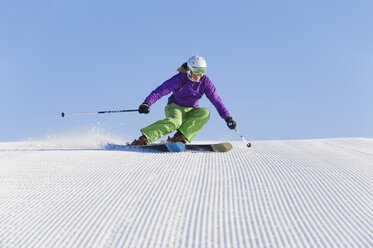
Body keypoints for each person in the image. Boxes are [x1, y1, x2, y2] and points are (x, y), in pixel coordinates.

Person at [131, 55, 236, 145]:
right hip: (175, 107)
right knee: (174, 122)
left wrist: (227, 117)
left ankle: (180, 137)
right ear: (190, 69)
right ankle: (145, 138)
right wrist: (147, 103)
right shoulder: (179, 79)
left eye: (202, 72)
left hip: (191, 110)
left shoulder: (205, 82)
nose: (199, 75)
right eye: (197, 71)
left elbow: (216, 100)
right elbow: (160, 91)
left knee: (205, 113)